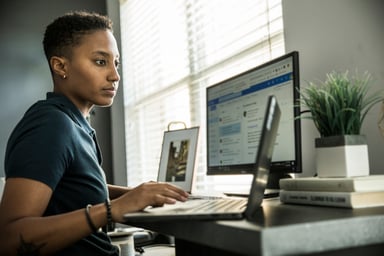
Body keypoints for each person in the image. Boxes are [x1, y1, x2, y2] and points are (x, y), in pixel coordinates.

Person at [0, 11, 189, 256]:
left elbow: (73, 187)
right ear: (60, 66)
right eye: (101, 61)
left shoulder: (74, 123)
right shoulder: (50, 125)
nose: (115, 75)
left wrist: (136, 193)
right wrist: (111, 210)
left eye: (116, 62)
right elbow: (8, 239)